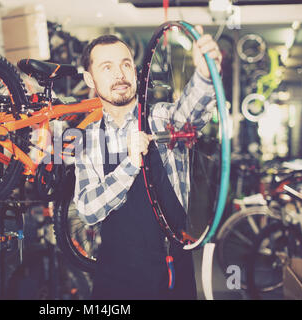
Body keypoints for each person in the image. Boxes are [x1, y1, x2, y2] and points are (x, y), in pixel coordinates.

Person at [72, 25, 222, 300]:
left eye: (126, 64)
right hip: (114, 279)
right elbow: (87, 210)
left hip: (171, 272)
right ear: (90, 79)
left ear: (136, 71)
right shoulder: (87, 139)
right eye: (106, 67)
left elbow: (191, 113)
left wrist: (204, 74)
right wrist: (129, 165)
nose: (119, 74)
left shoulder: (162, 120)